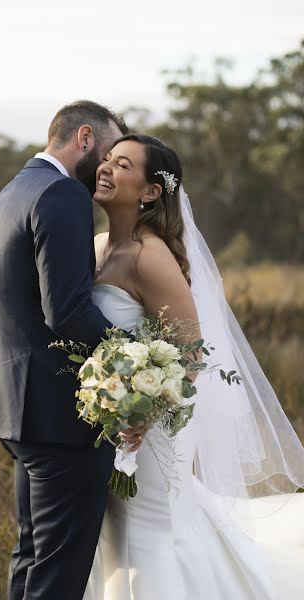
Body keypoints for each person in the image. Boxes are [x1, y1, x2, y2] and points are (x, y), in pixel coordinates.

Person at [83, 134, 304, 599]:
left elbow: (191, 351)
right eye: (106, 158)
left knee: (152, 530)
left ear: (149, 192)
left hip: (150, 429)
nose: (105, 167)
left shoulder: (152, 256)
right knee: (115, 533)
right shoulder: (100, 245)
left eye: (122, 164)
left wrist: (141, 410)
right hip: (111, 424)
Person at [0, 101, 147, 600]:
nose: (108, 164)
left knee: (32, 559)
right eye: (109, 150)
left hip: (19, 409)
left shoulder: (16, 189)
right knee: (56, 576)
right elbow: (67, 311)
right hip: (60, 418)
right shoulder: (61, 194)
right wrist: (136, 361)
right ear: (85, 137)